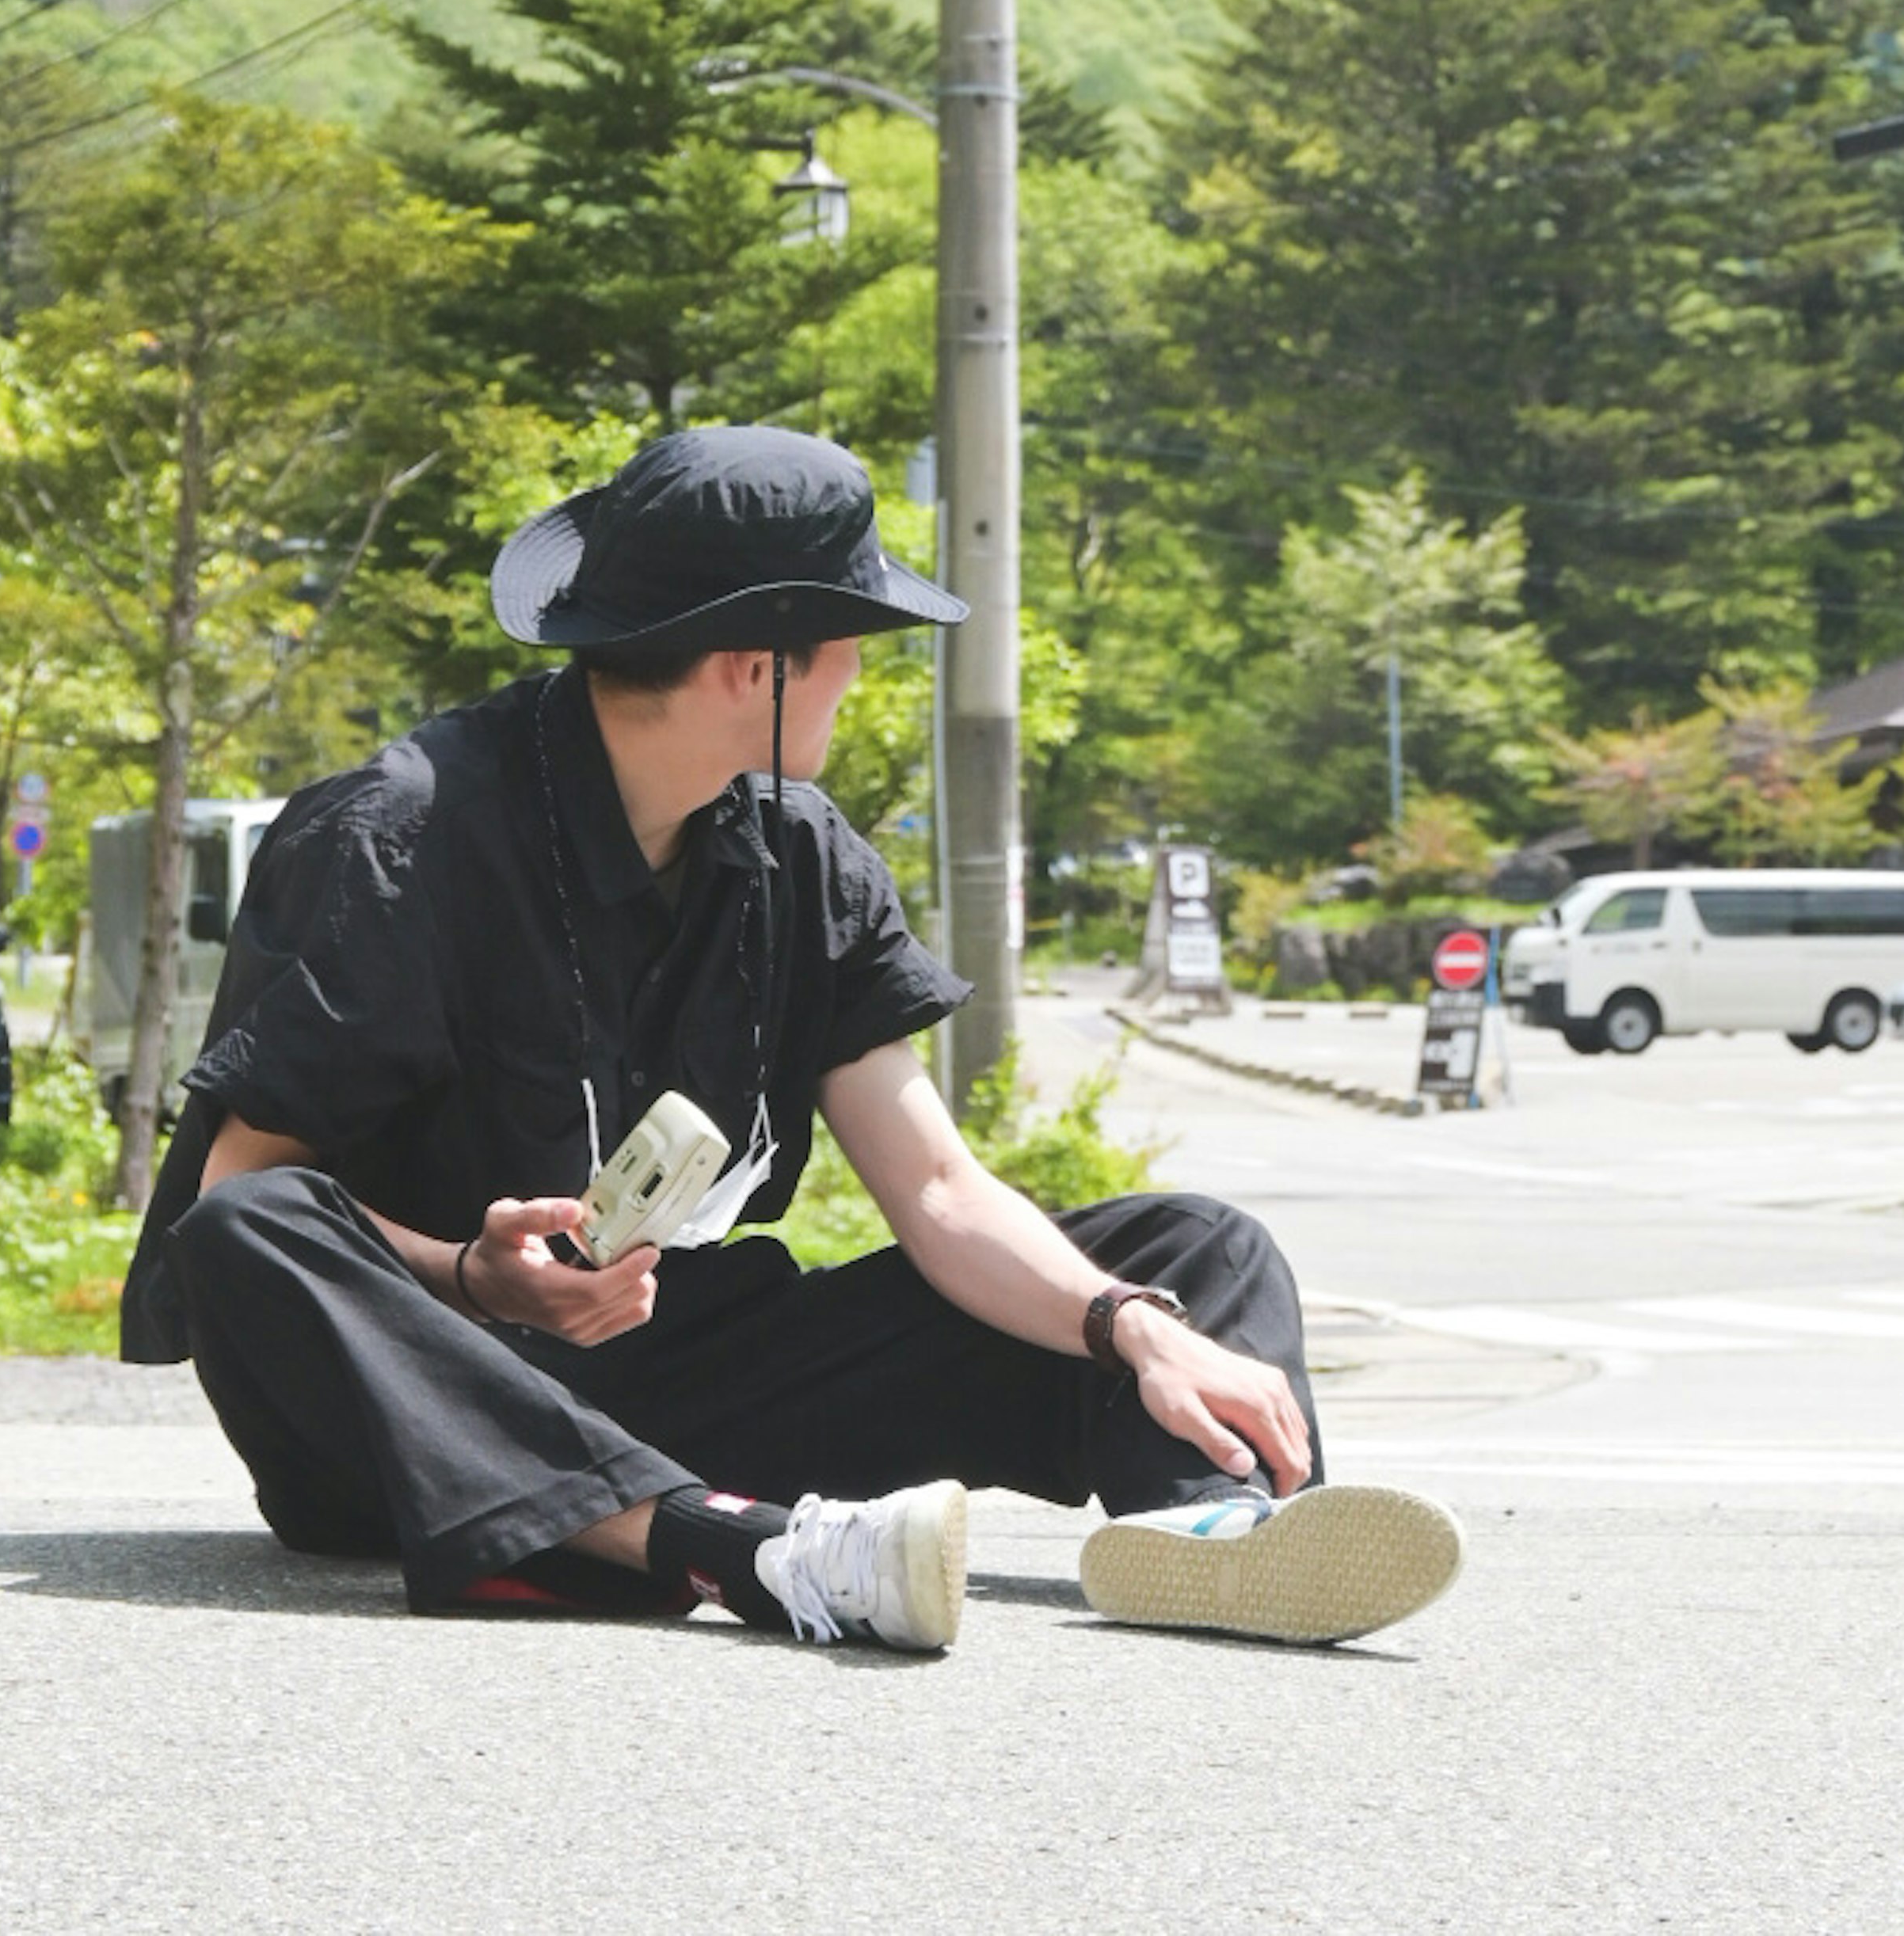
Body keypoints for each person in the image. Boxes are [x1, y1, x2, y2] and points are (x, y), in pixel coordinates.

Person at [121, 423, 1462, 1656]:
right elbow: (242, 1189)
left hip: (688, 1377)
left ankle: (1213, 1532)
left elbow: (935, 1189)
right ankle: (750, 1556)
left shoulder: (799, 856)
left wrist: (1128, 1326)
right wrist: (476, 1276)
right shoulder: (400, 834)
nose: (863, 677)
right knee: (244, 1230)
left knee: (1190, 1255)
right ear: (755, 668)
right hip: (431, 1410)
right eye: (850, 643)